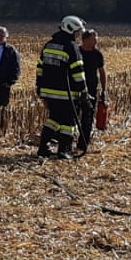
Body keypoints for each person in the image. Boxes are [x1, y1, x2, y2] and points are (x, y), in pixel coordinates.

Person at [35, 16, 89, 158]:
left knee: (54, 119)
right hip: (66, 93)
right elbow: (78, 72)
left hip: (48, 92)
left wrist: (39, 87)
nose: (78, 35)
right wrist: (83, 91)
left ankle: (43, 147)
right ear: (70, 29)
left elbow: (40, 68)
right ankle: (64, 150)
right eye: (77, 32)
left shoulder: (48, 45)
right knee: (68, 122)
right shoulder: (72, 47)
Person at [74, 28, 108, 155]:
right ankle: (67, 142)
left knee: (87, 118)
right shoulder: (76, 52)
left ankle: (82, 145)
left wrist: (104, 90)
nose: (96, 42)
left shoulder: (97, 54)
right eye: (94, 39)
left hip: (91, 91)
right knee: (73, 117)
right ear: (85, 40)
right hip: (75, 90)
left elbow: (102, 73)